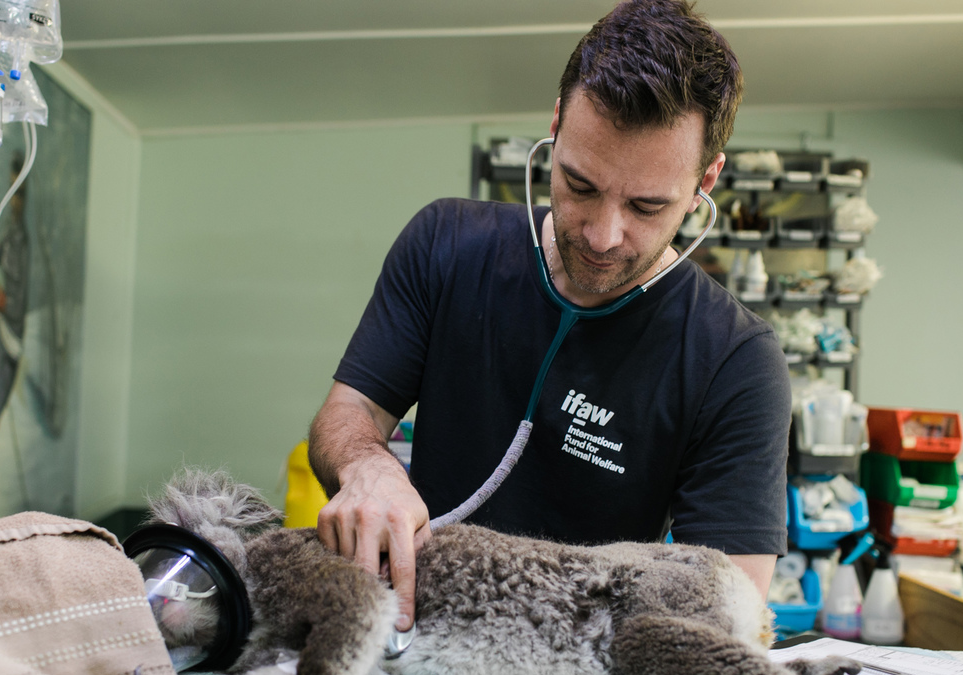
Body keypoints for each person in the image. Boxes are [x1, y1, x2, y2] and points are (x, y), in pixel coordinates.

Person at [308, 0, 790, 634]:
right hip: (415, 634)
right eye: (581, 185)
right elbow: (345, 417)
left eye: (647, 206)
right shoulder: (446, 244)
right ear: (558, 124)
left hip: (588, 670)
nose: (602, 235)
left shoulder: (737, 360)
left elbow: (728, 604)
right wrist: (366, 467)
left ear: (707, 180)